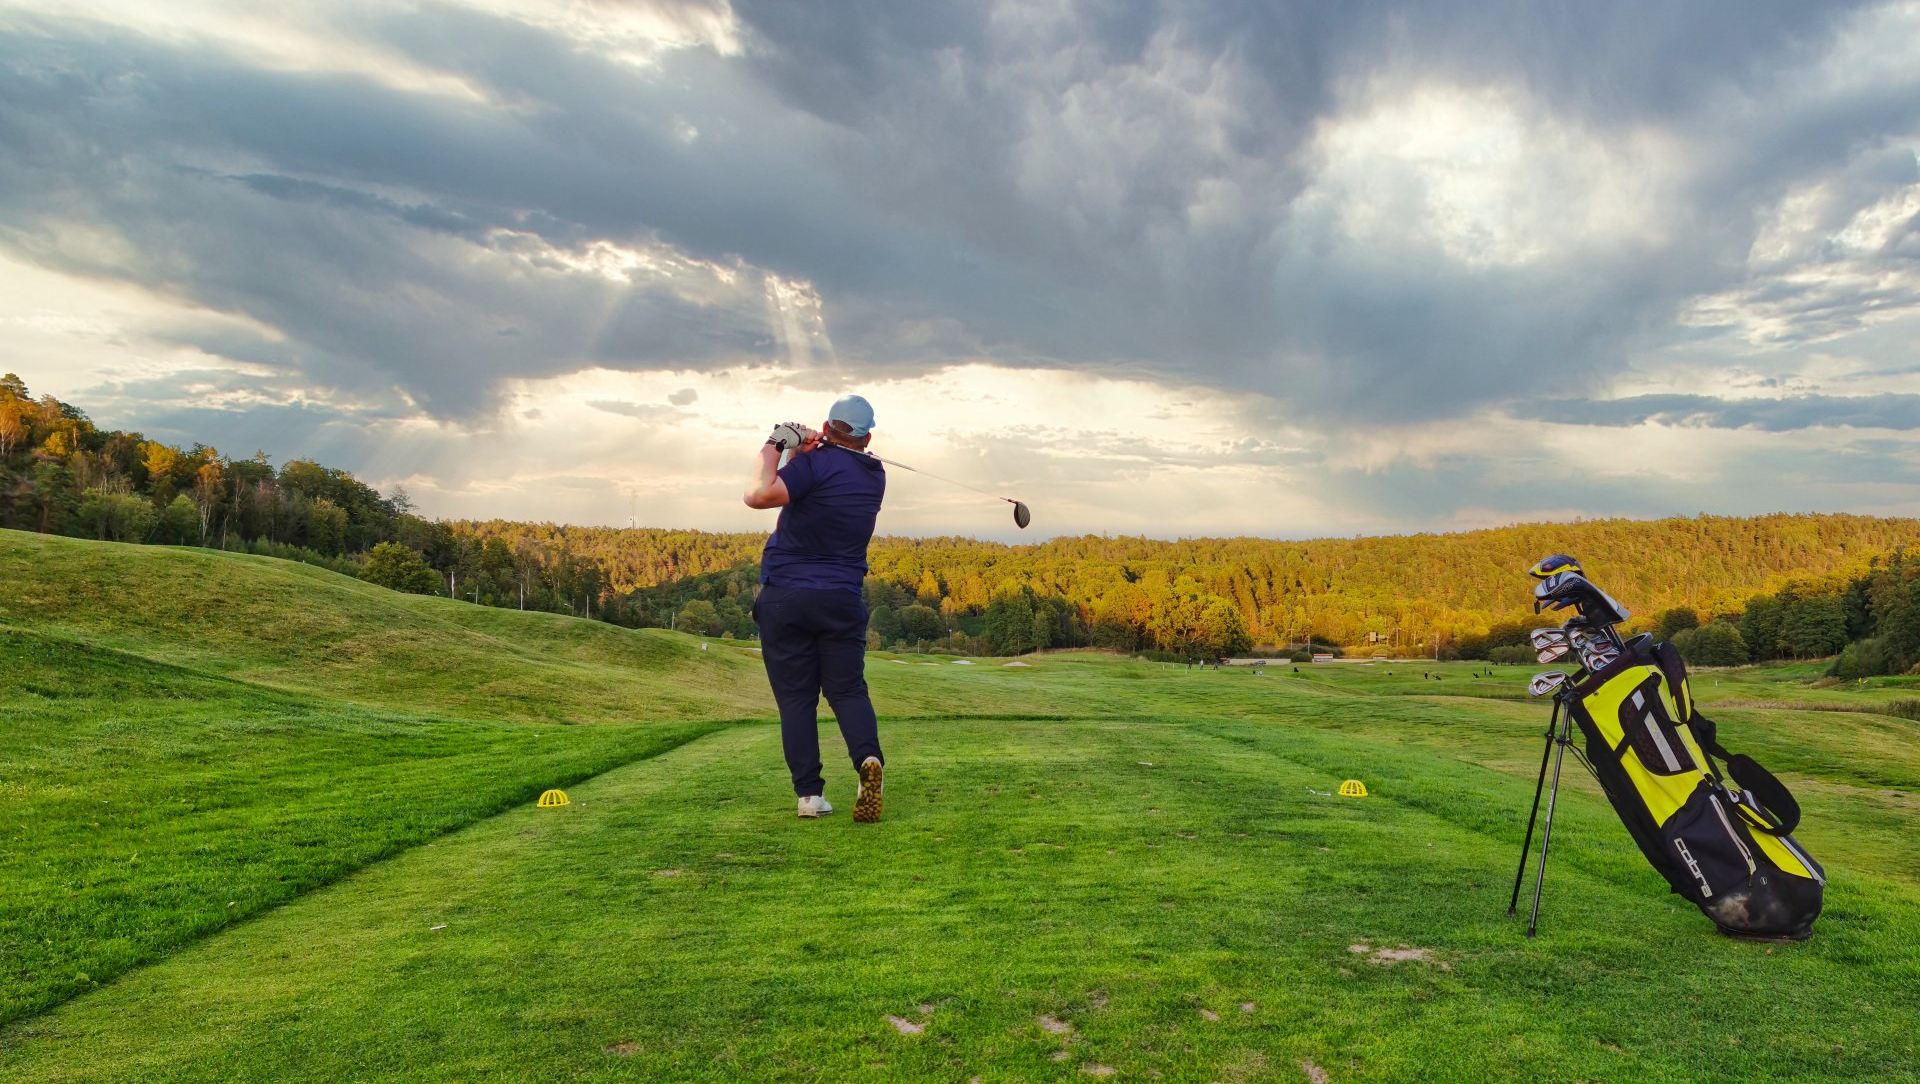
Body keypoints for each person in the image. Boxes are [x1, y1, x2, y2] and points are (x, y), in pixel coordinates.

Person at [743, 394, 887, 822]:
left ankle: (809, 796)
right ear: (868, 437)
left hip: (786, 594)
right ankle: (868, 761)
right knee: (847, 690)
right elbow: (823, 479)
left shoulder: (813, 465)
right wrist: (803, 451)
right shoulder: (874, 474)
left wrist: (776, 443)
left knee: (796, 700)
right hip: (841, 599)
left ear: (827, 428)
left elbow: (758, 494)